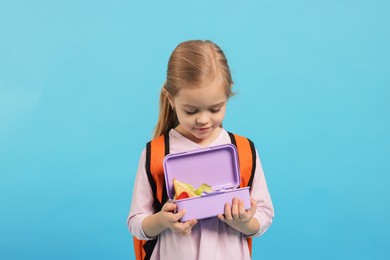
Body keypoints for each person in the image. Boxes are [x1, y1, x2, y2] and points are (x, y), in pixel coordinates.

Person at [127, 40, 274, 260]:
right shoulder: (155, 153)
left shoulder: (243, 151)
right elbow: (136, 222)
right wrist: (162, 221)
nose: (203, 120)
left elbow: (264, 214)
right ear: (171, 99)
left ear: (228, 96)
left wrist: (245, 223)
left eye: (216, 109)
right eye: (191, 110)